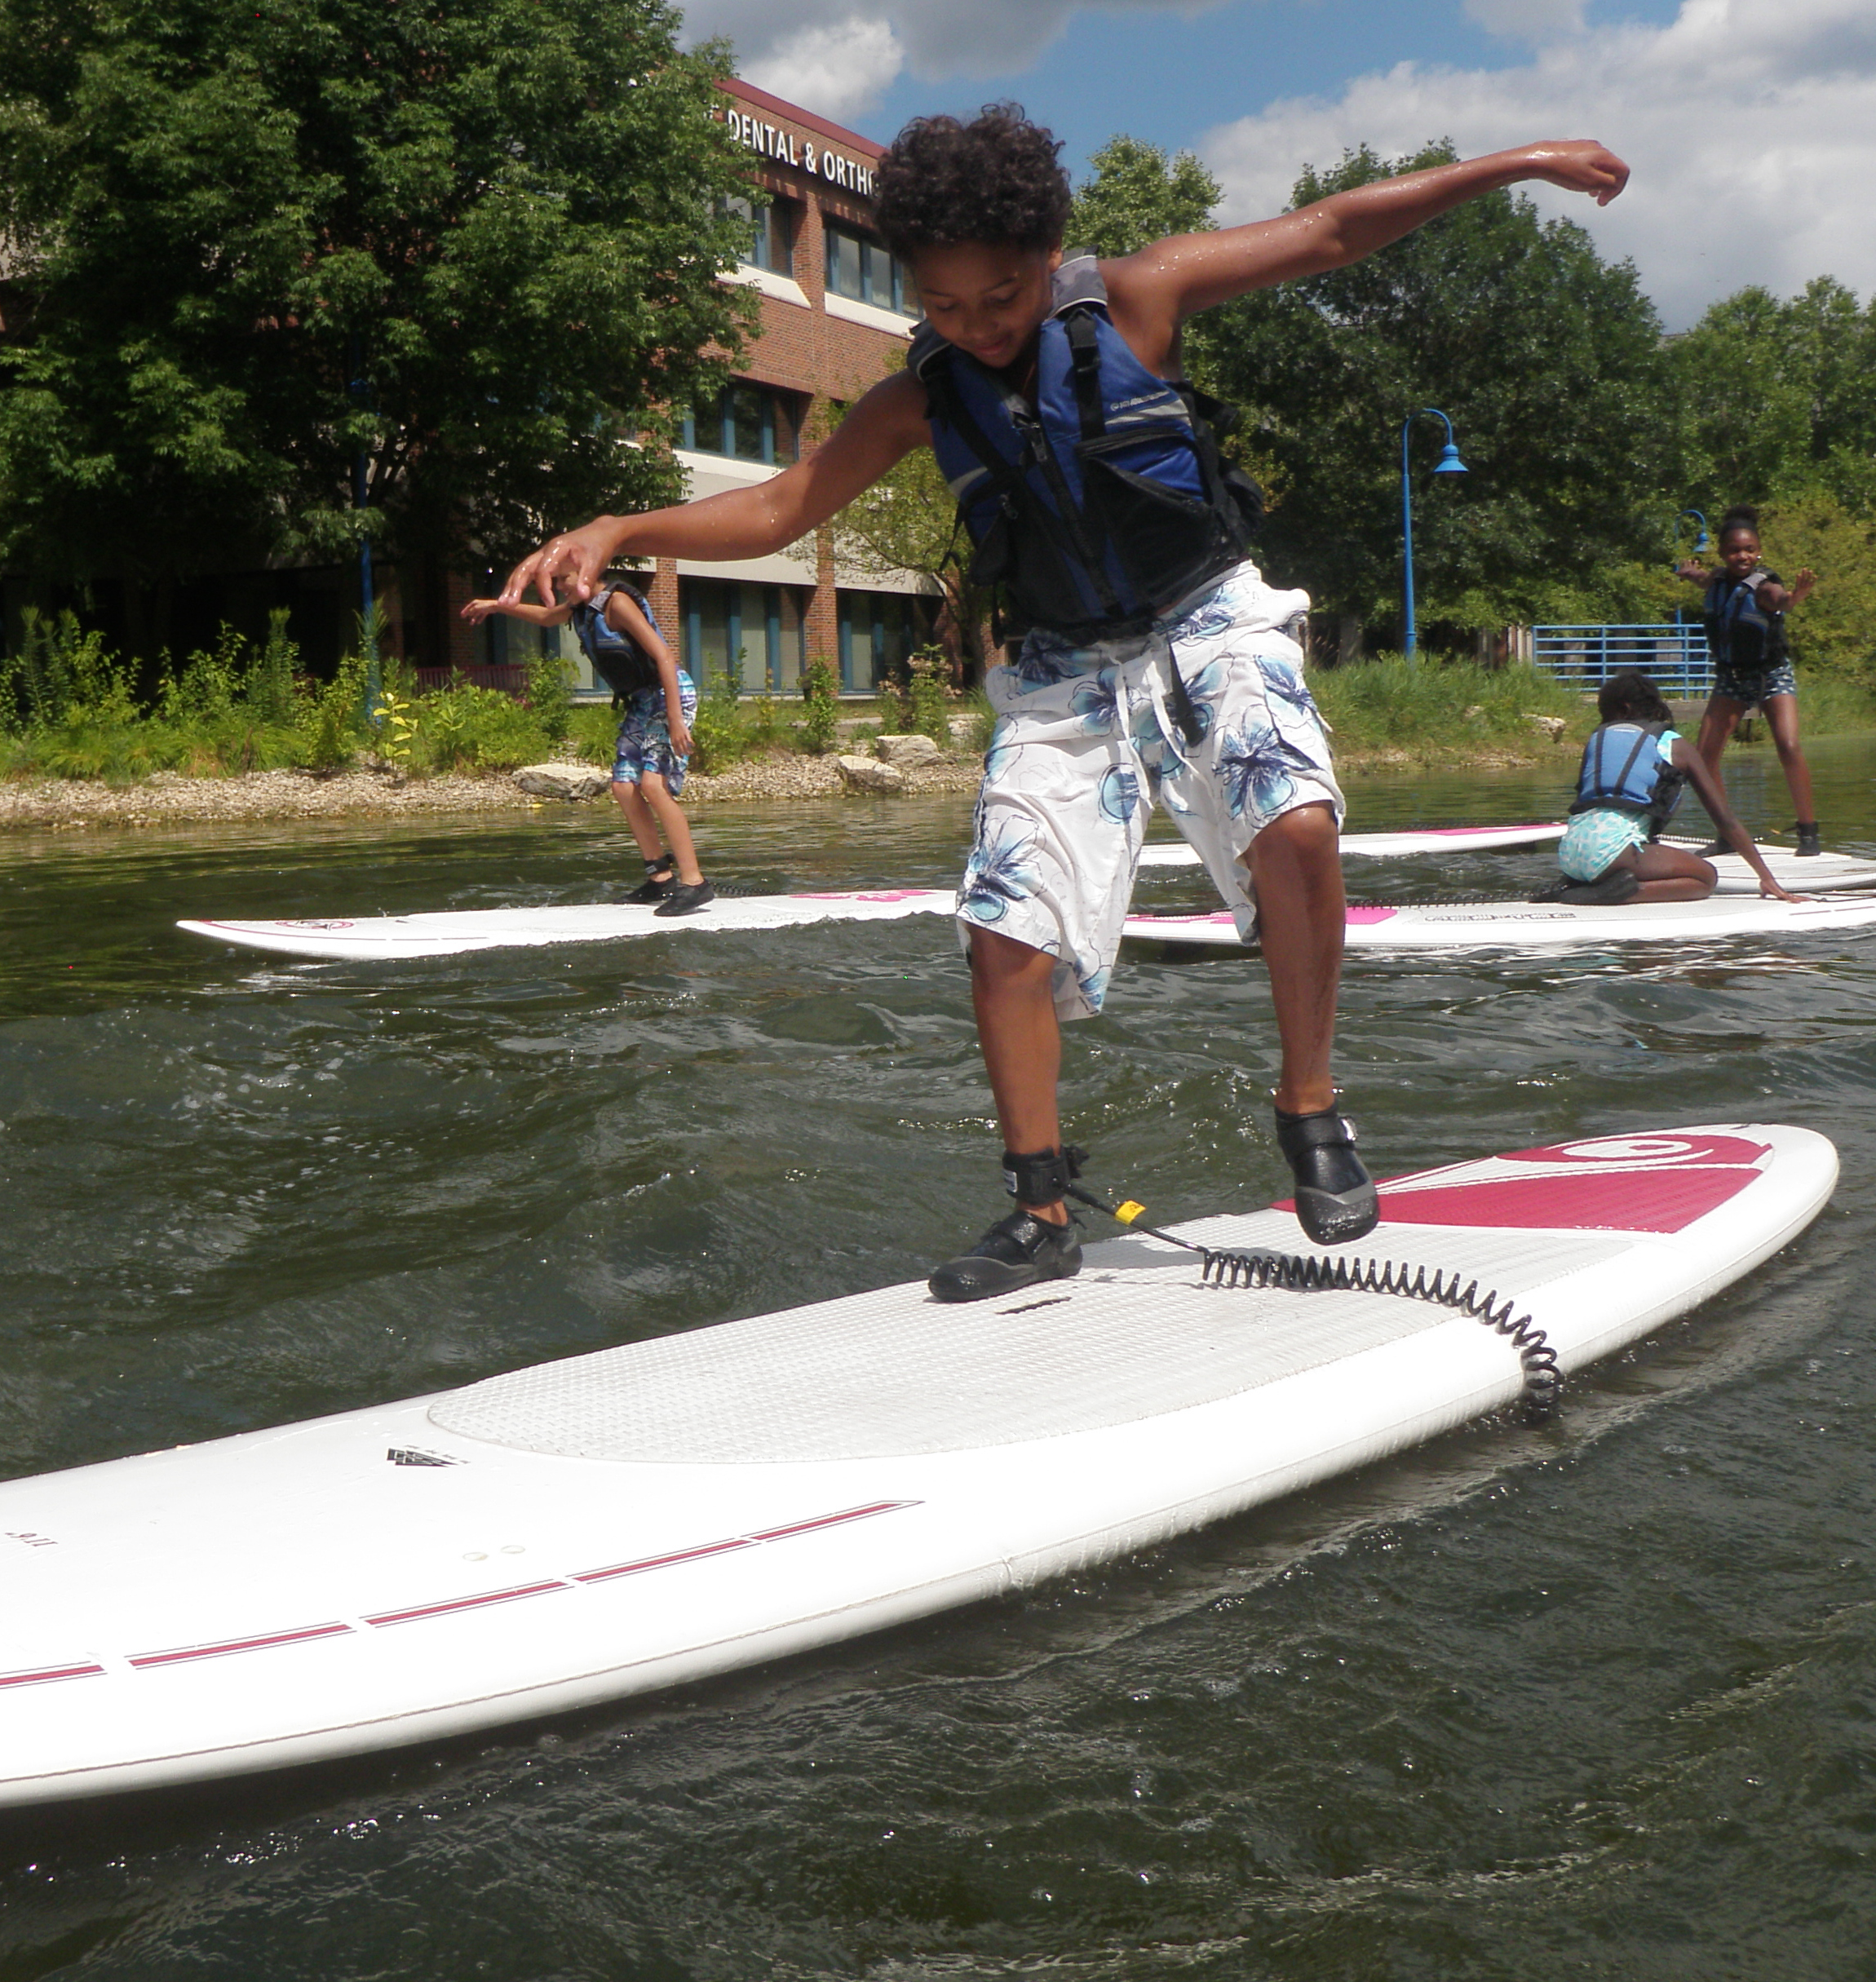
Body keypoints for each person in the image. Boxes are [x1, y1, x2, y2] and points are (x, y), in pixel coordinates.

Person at [498, 103, 1629, 1300]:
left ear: (1047, 259)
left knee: (1292, 821)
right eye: (943, 307)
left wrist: (1520, 164)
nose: (975, 330)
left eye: (1000, 299)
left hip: (1206, 616)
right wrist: (623, 523)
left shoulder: (1136, 301)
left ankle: (1309, 1106)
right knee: (1000, 936)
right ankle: (1040, 1210)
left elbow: (1331, 230)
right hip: (1060, 671)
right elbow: (780, 509)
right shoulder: (923, 397)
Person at [459, 576, 712, 917]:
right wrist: (496, 605)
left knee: (653, 785)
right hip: (641, 701)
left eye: (563, 579)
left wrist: (677, 720)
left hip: (670, 696)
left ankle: (694, 883)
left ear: (588, 572)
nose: (559, 586)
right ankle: (661, 878)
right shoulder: (581, 608)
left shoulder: (617, 604)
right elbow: (547, 617)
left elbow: (664, 656)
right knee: (623, 787)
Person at [1555, 669, 1800, 905]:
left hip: (1569, 853)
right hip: (1612, 853)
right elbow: (1724, 818)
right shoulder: (1673, 744)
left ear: (1622, 710)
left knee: (1641, 850)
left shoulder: (1597, 739)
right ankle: (1622, 893)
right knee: (1704, 877)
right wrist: (1765, 877)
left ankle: (1576, 884)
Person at [1677, 506, 1821, 856]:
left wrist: (1797, 596)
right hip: (1731, 676)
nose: (1742, 556)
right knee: (1704, 757)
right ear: (1723, 554)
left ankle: (1808, 832)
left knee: (1787, 745)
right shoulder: (1716, 580)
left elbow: (1782, 602)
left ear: (1759, 552)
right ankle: (1727, 835)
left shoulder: (1764, 587)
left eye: (1749, 550)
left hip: (1771, 674)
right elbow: (1704, 581)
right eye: (1734, 551)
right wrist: (1688, 573)